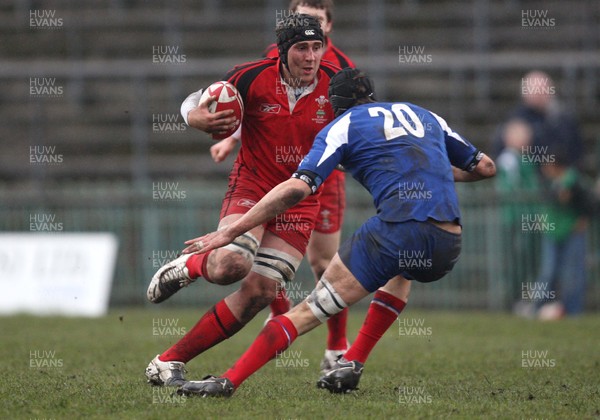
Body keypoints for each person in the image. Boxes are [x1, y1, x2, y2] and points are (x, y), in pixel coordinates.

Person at [176, 68, 496, 397]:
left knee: (306, 312)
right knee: (401, 271)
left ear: (334, 104)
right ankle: (352, 362)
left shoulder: (342, 125)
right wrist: (430, 172)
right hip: (447, 241)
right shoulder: (424, 114)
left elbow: (297, 188)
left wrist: (231, 232)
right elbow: (486, 167)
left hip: (398, 230)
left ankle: (228, 381)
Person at [145, 14, 341, 387]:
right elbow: (196, 99)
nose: (311, 56)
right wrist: (194, 117)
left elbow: (365, 120)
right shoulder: (251, 76)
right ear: (283, 52)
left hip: (299, 200)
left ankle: (167, 362)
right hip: (252, 186)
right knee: (230, 267)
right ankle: (194, 265)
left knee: (260, 294)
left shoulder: (336, 83)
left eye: (317, 47)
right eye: (302, 48)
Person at [208, 0, 356, 373]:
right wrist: (231, 138)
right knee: (262, 260)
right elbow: (255, 106)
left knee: (324, 263)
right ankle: (279, 317)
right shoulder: (273, 58)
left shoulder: (342, 71)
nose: (309, 41)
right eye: (302, 22)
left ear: (329, 28)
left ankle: (337, 345)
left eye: (316, 25)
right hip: (274, 175)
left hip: (322, 178)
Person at [495, 119, 541, 308]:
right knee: (517, 261)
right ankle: (515, 301)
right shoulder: (508, 159)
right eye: (522, 136)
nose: (526, 140)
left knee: (531, 260)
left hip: (530, 217)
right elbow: (510, 189)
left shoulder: (526, 159)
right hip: (515, 218)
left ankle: (528, 299)